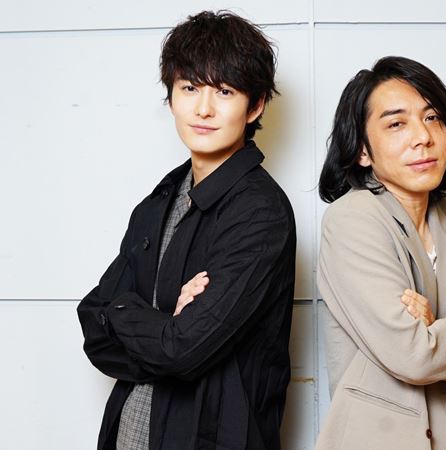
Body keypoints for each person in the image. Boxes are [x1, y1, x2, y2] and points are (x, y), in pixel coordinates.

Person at [77, 11, 296, 450]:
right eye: (190, 88)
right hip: (129, 434)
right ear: (171, 97)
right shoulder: (159, 200)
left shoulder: (259, 211)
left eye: (225, 91)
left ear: (255, 105)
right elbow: (93, 325)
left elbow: (183, 350)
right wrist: (161, 321)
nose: (203, 108)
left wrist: (128, 315)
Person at [316, 56, 446, 450]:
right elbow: (413, 356)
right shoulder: (352, 219)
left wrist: (436, 324)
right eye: (396, 124)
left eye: (432, 118)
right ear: (362, 150)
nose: (423, 137)